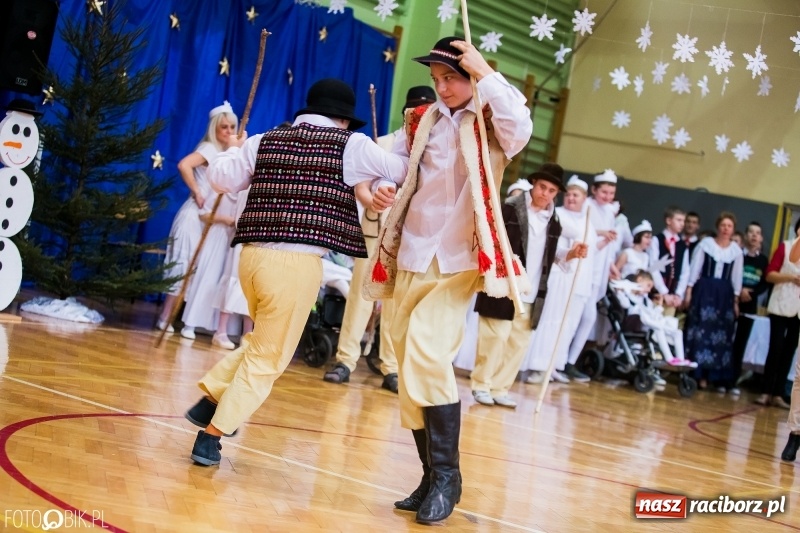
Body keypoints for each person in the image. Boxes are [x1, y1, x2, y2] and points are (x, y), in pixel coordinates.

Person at [183, 78, 408, 467]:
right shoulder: (351, 145)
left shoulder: (265, 139)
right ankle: (212, 436)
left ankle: (212, 399)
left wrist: (234, 149)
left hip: (251, 257)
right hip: (296, 265)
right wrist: (387, 178)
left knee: (263, 342)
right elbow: (402, 168)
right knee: (269, 358)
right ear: (343, 119)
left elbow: (220, 179)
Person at [365, 36, 532, 524]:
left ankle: (447, 476)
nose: (442, 88)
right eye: (437, 79)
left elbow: (521, 128)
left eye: (452, 78)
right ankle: (429, 474)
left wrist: (487, 75)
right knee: (407, 362)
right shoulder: (421, 120)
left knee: (426, 352)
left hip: (458, 257)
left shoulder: (490, 120)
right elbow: (396, 166)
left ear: (471, 76)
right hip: (412, 252)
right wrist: (381, 188)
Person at [322, 86, 436, 393]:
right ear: (406, 113)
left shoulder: (435, 152)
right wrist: (371, 199)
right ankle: (345, 360)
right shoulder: (382, 144)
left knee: (397, 302)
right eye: (417, 111)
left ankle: (391, 367)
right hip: (375, 232)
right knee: (361, 295)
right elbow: (361, 185)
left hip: (412, 237)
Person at [471, 163, 586, 407]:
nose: (545, 194)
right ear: (534, 183)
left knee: (517, 344)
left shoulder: (554, 221)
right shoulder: (509, 209)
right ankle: (481, 385)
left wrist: (571, 254)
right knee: (494, 338)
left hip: (531, 291)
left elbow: (552, 254)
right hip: (503, 285)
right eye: (542, 187)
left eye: (552, 191)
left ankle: (500, 388)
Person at [157, 102, 238, 333]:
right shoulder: (209, 149)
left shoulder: (223, 154)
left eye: (232, 127)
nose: (228, 131)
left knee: (193, 270)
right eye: (224, 127)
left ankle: (173, 317)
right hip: (192, 217)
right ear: (215, 128)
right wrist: (197, 191)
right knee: (182, 267)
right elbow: (184, 165)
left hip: (205, 220)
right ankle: (165, 317)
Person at [523, 175, 596, 384]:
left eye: (576, 195)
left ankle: (553, 365)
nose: (572, 198)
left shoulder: (587, 222)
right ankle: (538, 365)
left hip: (578, 283)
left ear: (584, 198)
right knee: (549, 320)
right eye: (569, 194)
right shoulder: (557, 215)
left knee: (566, 326)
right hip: (558, 277)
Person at [565, 169, 619, 382]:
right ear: (594, 190)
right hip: (584, 268)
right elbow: (581, 230)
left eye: (611, 193)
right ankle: (566, 361)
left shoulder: (610, 211)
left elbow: (607, 246)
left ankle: (570, 361)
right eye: (604, 192)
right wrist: (602, 233)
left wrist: (611, 265)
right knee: (582, 317)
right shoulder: (587, 206)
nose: (608, 197)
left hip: (599, 271)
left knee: (587, 318)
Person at [684, 212, 743, 391]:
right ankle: (696, 373)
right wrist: (689, 291)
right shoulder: (706, 245)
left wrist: (735, 301)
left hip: (724, 295)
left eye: (729, 226)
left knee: (720, 334)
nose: (726, 229)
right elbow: (694, 269)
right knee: (700, 330)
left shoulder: (736, 251)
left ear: (733, 229)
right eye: (723, 225)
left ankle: (712, 376)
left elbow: (737, 277)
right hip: (705, 290)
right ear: (718, 226)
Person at [755, 218, 800, 409]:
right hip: (781, 304)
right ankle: (765, 391)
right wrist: (791, 277)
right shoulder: (785, 247)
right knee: (775, 348)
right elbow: (770, 274)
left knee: (790, 351)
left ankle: (778, 393)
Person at [611, 271, 695, 367]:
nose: (649, 290)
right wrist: (620, 291)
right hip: (634, 322)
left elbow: (653, 315)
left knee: (677, 332)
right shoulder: (627, 295)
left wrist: (659, 306)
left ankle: (681, 360)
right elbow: (625, 305)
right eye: (648, 286)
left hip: (649, 324)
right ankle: (669, 358)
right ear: (639, 280)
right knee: (658, 328)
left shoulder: (645, 300)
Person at [728, 222, 769, 393]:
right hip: (733, 301)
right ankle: (719, 379)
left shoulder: (763, 260)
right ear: (745, 235)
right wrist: (740, 290)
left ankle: (732, 381)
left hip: (750, 305)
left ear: (761, 238)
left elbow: (764, 283)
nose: (754, 235)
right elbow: (731, 275)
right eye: (751, 232)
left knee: (740, 344)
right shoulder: (738, 255)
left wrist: (751, 293)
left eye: (757, 233)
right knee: (726, 340)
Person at [648, 206, 690, 315]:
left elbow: (685, 271)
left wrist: (678, 294)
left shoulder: (682, 245)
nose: (682, 224)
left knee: (668, 322)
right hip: (656, 294)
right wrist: (663, 292)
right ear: (668, 221)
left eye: (683, 221)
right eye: (679, 220)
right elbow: (653, 267)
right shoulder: (657, 240)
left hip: (673, 297)